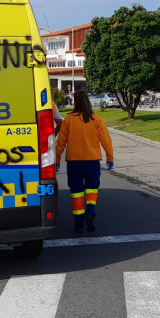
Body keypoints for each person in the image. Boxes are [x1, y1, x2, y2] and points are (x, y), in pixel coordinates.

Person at [55, 90, 114, 233]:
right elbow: (106, 140)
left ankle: (79, 222)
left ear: (75, 102)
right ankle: (90, 211)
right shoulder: (96, 119)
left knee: (76, 192)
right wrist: (110, 157)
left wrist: (57, 158)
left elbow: (61, 142)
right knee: (92, 188)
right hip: (92, 161)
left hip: (74, 162)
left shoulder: (69, 119)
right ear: (88, 101)